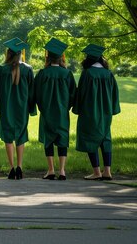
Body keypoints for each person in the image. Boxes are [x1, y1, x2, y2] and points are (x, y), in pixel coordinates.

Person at [74, 44, 120, 181]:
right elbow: (114, 94)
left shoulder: (87, 73)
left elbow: (80, 93)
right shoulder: (108, 74)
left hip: (89, 112)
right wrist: (112, 109)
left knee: (90, 138)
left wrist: (77, 108)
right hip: (105, 112)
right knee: (105, 138)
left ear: (88, 58)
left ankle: (96, 172)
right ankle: (107, 171)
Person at [32, 38, 76, 181]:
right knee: (62, 139)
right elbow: (73, 94)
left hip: (47, 112)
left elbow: (36, 93)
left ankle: (51, 170)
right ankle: (62, 171)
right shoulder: (67, 74)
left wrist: (42, 107)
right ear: (62, 58)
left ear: (48, 57)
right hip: (62, 113)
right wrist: (66, 107)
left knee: (48, 140)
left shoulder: (42, 74)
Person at [0, 38, 35, 180]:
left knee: (8, 137)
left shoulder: (2, 69)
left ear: (8, 54)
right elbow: (32, 92)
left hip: (7, 108)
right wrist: (31, 108)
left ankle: (11, 168)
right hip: (22, 108)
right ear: (20, 54)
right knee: (20, 136)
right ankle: (20, 167)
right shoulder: (27, 69)